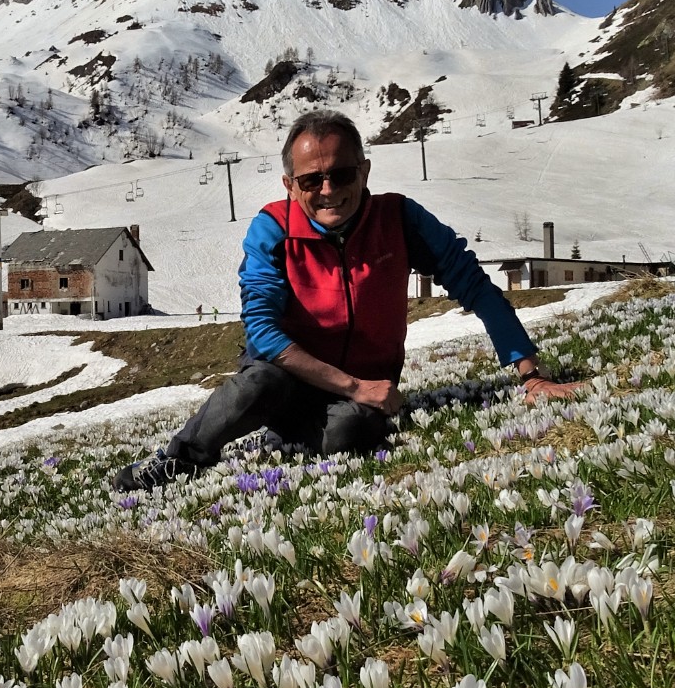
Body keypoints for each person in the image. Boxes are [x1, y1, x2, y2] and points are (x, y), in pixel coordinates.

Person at [114, 109, 580, 491]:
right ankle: (179, 459)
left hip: (364, 385)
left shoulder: (398, 218)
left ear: (365, 171)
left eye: (341, 174)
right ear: (289, 185)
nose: (328, 190)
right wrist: (354, 387)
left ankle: (290, 433)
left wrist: (531, 375)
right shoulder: (273, 228)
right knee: (257, 385)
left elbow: (473, 284)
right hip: (290, 377)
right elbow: (262, 331)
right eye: (311, 180)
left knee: (351, 434)